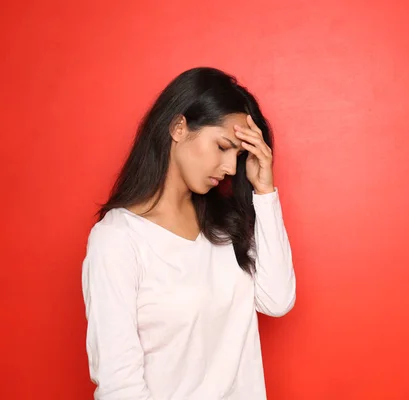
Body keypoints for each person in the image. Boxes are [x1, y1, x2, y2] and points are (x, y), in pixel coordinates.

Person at [81, 67, 296, 400]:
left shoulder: (225, 227)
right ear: (179, 127)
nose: (230, 168)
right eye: (223, 146)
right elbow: (119, 385)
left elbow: (277, 301)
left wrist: (265, 192)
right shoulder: (118, 239)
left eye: (239, 155)